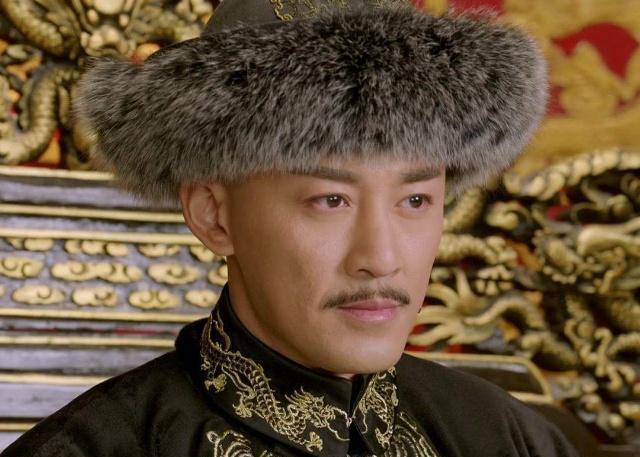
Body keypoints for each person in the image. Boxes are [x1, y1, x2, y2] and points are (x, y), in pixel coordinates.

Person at [2, 0, 580, 456]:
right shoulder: (97, 447)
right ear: (214, 215)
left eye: (415, 200)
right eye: (330, 200)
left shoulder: (506, 437)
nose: (381, 258)